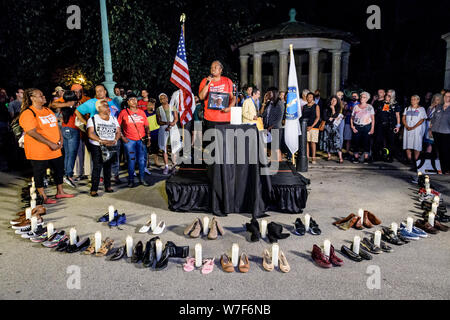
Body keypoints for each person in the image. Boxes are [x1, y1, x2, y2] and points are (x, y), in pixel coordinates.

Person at [18, 88, 74, 203]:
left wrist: (61, 139)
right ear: (32, 98)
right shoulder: (28, 113)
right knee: (39, 173)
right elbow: (32, 132)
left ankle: (60, 192)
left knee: (59, 170)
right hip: (39, 150)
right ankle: (43, 196)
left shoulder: (47, 110)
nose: (44, 97)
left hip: (55, 148)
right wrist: (50, 143)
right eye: (40, 96)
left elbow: (56, 125)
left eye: (43, 95)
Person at [86, 99, 121, 196]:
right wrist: (101, 141)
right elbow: (90, 133)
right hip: (98, 145)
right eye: (105, 105)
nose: (107, 107)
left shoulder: (113, 118)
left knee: (108, 167)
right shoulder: (93, 119)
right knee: (97, 167)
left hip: (111, 145)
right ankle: (94, 189)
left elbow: (118, 131)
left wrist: (115, 140)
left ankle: (108, 186)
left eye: (107, 105)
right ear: (98, 108)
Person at [118, 93, 151, 187]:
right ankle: (131, 180)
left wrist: (148, 138)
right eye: (131, 99)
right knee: (131, 160)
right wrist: (122, 137)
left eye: (135, 99)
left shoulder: (142, 112)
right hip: (129, 141)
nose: (134, 101)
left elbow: (147, 125)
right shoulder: (123, 112)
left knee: (142, 160)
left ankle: (142, 179)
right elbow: (117, 126)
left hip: (141, 140)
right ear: (128, 102)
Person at [198, 60, 236, 129]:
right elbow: (201, 97)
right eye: (211, 67)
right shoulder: (205, 81)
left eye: (215, 67)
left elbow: (233, 98)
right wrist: (207, 83)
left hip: (225, 118)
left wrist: (230, 108)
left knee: (224, 140)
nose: (213, 69)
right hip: (210, 119)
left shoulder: (227, 81)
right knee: (211, 139)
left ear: (221, 70)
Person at [373, 92, 401, 162]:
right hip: (380, 125)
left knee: (390, 142)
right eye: (387, 95)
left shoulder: (395, 104)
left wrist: (398, 126)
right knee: (378, 141)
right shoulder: (380, 103)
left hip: (390, 125)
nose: (387, 97)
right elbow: (375, 113)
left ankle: (389, 156)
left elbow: (398, 116)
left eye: (389, 96)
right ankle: (378, 156)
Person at [156, 93, 179, 175]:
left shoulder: (173, 107)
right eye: (161, 98)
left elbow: (176, 118)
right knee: (164, 148)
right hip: (163, 129)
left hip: (173, 129)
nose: (163, 100)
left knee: (173, 148)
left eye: (164, 98)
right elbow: (158, 121)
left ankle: (174, 165)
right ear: (160, 100)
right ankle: (166, 166)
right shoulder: (159, 109)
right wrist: (166, 123)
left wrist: (172, 123)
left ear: (167, 98)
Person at [402, 95, 426, 169]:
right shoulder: (407, 108)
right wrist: (406, 126)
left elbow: (422, 119)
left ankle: (416, 161)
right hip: (407, 129)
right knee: (407, 144)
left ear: (418, 100)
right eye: (412, 99)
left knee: (416, 144)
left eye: (415, 99)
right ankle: (409, 160)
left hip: (417, 129)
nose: (413, 100)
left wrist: (413, 127)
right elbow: (403, 118)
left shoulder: (421, 109)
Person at [350, 91, 375, 164]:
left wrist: (372, 128)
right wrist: (352, 126)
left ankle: (366, 158)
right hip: (357, 126)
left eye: (364, 97)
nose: (362, 98)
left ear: (367, 99)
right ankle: (356, 157)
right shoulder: (356, 107)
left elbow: (373, 119)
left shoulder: (370, 107)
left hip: (367, 126)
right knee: (356, 142)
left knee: (366, 142)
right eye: (361, 97)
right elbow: (352, 117)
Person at [260, 88, 284, 161]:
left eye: (269, 93)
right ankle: (274, 164)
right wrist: (264, 102)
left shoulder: (279, 103)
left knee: (276, 148)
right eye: (267, 93)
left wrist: (270, 127)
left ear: (274, 93)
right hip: (268, 128)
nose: (267, 95)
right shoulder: (269, 103)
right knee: (271, 148)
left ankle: (280, 165)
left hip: (275, 128)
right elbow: (262, 114)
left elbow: (279, 118)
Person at [430, 90, 450, 174]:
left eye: (449, 96)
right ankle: (443, 169)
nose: (447, 98)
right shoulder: (439, 106)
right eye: (445, 96)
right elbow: (433, 118)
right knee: (439, 151)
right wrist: (431, 129)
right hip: (436, 132)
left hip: (446, 132)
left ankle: (447, 169)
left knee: (446, 151)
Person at [300, 92, 321, 164]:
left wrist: (311, 126)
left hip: (314, 127)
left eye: (311, 97)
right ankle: (307, 157)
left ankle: (313, 158)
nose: (309, 98)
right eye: (308, 97)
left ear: (313, 98)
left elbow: (318, 117)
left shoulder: (316, 106)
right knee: (306, 142)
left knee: (313, 142)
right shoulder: (304, 106)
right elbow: (302, 116)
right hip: (305, 126)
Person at [323, 95, 344, 163]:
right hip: (327, 126)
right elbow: (324, 117)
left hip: (335, 127)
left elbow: (335, 116)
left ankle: (340, 157)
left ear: (337, 101)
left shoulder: (338, 108)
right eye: (332, 100)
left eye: (334, 100)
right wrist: (330, 118)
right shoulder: (326, 108)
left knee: (336, 141)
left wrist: (333, 109)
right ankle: (329, 156)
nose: (333, 101)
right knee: (327, 140)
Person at [144, 97, 161, 170]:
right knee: (147, 148)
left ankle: (156, 161)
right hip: (148, 133)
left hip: (156, 132)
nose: (151, 106)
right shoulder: (144, 113)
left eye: (153, 105)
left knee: (155, 148)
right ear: (147, 105)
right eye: (150, 105)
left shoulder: (156, 113)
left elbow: (159, 120)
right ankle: (147, 162)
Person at [343, 92, 360, 158]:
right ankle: (347, 152)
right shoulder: (348, 104)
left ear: (358, 97)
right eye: (353, 96)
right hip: (348, 122)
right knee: (348, 139)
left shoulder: (359, 104)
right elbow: (344, 113)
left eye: (355, 96)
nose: (354, 97)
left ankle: (356, 153)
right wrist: (345, 109)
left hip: (356, 123)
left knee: (356, 139)